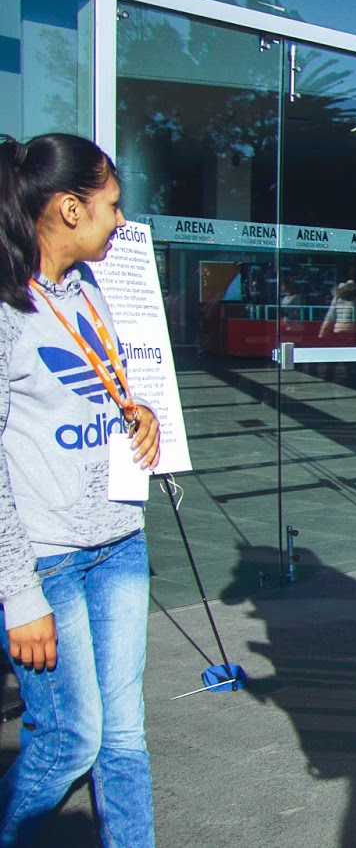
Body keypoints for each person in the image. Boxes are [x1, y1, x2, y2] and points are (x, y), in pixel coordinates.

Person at [0, 132, 162, 846]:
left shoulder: (88, 288)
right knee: (71, 740)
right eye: (112, 205)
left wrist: (139, 412)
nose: (121, 220)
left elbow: (101, 384)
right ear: (70, 209)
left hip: (120, 541)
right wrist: (19, 594)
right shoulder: (8, 308)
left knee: (124, 737)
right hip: (48, 561)